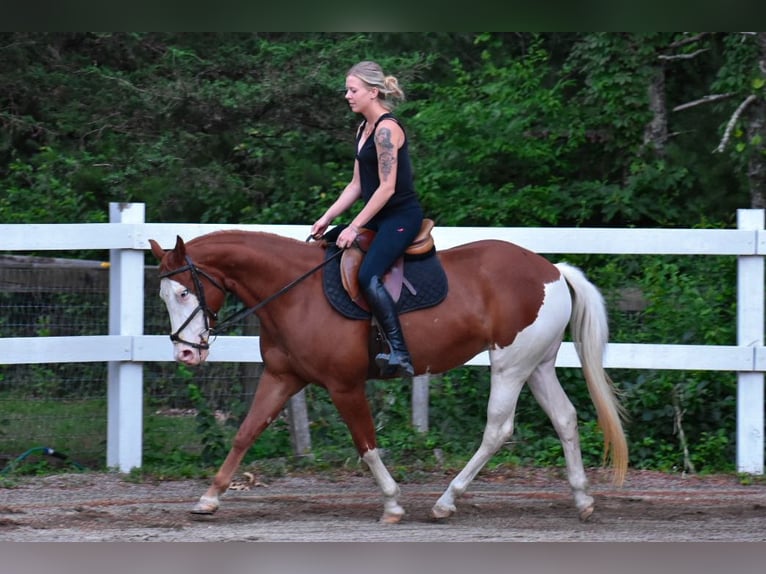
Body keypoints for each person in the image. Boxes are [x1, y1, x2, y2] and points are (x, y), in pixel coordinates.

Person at [311, 61, 423, 378]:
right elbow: (357, 185)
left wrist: (355, 225)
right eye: (347, 89)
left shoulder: (388, 130)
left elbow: (387, 188)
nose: (347, 95)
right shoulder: (363, 129)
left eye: (353, 90)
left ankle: (400, 353)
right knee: (328, 245)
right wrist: (327, 217)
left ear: (372, 92)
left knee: (368, 274)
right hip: (376, 217)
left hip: (400, 217)